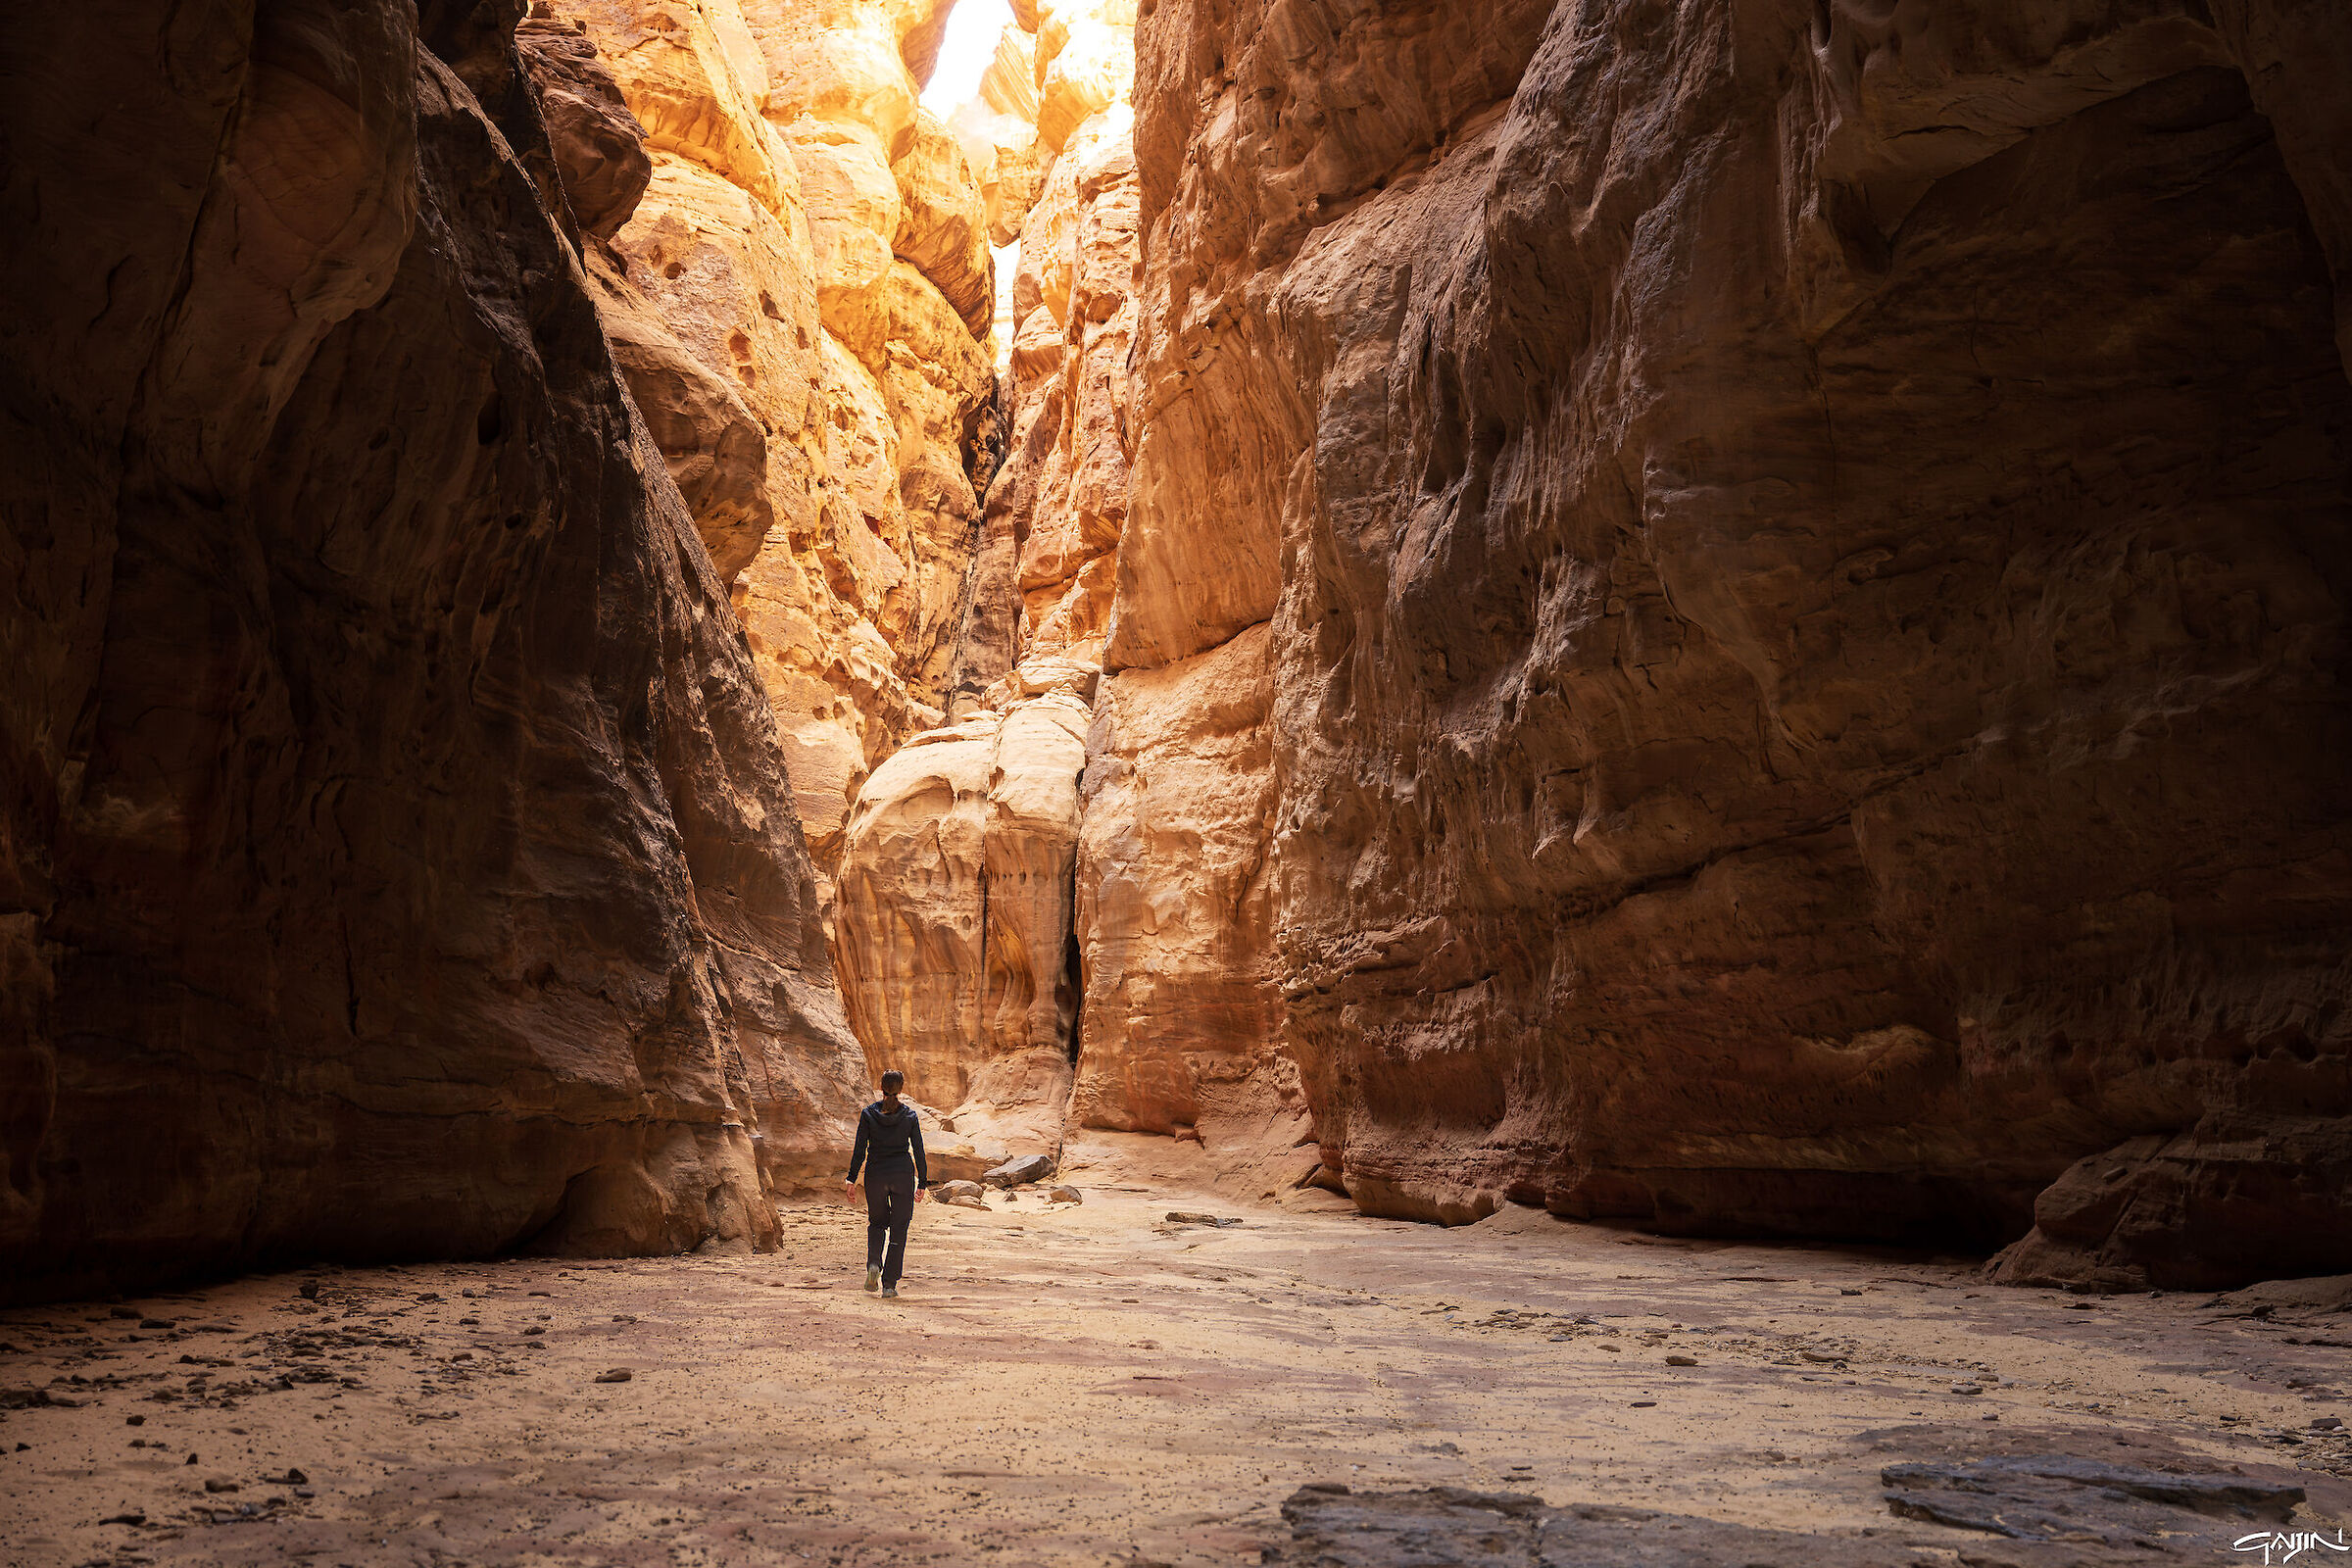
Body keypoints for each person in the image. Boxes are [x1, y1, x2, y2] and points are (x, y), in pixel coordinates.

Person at [844, 1069, 929, 1298]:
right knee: (899, 1229)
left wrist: (851, 1178)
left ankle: (873, 1264)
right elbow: (918, 1150)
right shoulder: (910, 1116)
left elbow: (859, 1149)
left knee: (877, 1223)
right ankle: (889, 1284)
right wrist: (923, 1182)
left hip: (876, 1175)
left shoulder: (868, 1114)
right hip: (902, 1175)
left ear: (881, 1088)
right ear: (900, 1090)